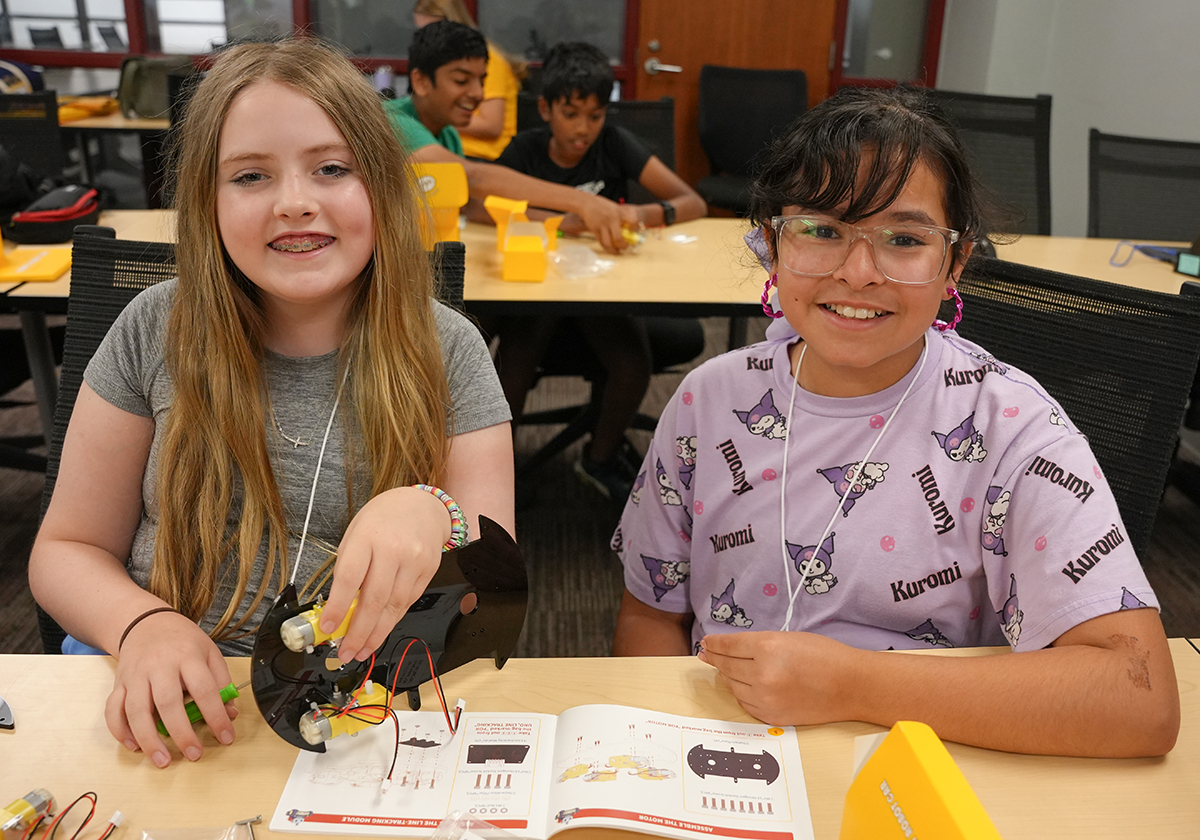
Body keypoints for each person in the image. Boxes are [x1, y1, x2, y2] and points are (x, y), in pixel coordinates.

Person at [609, 86, 1180, 758]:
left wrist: (852, 685)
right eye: (821, 230)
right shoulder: (708, 403)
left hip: (921, 762)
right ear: (771, 244)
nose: (858, 273)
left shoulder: (1012, 427)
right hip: (724, 758)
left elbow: (1139, 699)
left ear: (954, 264)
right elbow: (651, 615)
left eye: (904, 239)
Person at [27, 38, 514, 769]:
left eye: (331, 168)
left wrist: (434, 513)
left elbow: (496, 589)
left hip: (358, 709)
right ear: (207, 203)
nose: (295, 202)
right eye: (250, 176)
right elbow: (66, 549)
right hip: (162, 697)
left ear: (381, 186)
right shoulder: (153, 331)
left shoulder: (450, 351)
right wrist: (140, 626)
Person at [490, 41, 707, 501]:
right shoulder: (525, 151)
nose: (583, 129)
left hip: (602, 289)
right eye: (571, 114)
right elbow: (481, 208)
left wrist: (637, 216)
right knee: (513, 368)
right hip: (537, 285)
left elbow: (692, 202)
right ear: (545, 109)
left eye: (595, 115)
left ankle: (599, 458)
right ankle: (493, 476)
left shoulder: (614, 144)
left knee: (632, 365)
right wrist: (568, 221)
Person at [384, 20, 633, 254]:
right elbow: (472, 177)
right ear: (421, 81)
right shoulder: (393, 122)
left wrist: (562, 222)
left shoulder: (447, 134)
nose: (478, 93)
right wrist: (583, 202)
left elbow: (469, 206)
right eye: (461, 80)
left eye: (482, 80)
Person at [412, 0, 526, 161]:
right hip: (447, 151)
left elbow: (491, 126)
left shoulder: (488, 61)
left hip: (484, 158)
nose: (426, 41)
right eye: (420, 33)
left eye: (433, 31)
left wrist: (432, 120)